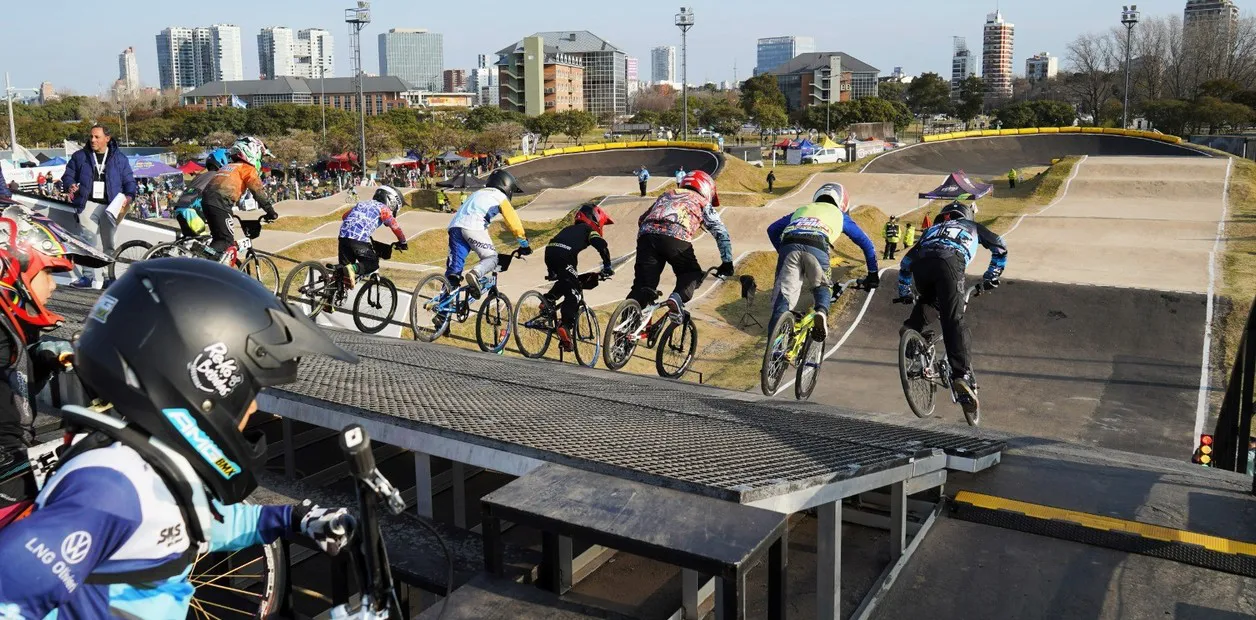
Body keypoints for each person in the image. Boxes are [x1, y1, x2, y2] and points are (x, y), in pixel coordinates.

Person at [0, 258, 357, 618]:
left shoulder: (149, 472)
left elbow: (188, 527)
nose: (253, 408)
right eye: (248, 390)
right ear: (200, 382)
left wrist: (290, 519)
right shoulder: (111, 488)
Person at [0, 207, 112, 528]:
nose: (53, 287)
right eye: (48, 273)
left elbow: (11, 390)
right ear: (15, 271)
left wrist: (37, 361)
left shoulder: (9, 328)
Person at [895, 200, 1007, 414]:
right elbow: (1000, 246)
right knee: (953, 319)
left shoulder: (932, 230)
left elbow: (906, 263)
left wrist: (905, 292)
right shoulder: (970, 225)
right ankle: (961, 375)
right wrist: (991, 275)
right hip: (949, 262)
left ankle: (912, 328)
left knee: (931, 299)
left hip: (922, 265)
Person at [765, 183, 879, 341]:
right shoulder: (840, 215)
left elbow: (772, 229)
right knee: (823, 287)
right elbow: (867, 244)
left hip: (789, 244)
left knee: (782, 301)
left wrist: (783, 250)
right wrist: (873, 273)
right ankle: (821, 312)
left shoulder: (802, 210)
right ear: (842, 203)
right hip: (817, 244)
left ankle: (773, 356)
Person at [630, 170, 734, 317]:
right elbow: (721, 232)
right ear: (706, 189)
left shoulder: (668, 194)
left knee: (642, 286)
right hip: (675, 236)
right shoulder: (702, 201)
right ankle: (677, 298)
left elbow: (642, 219)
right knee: (691, 274)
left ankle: (625, 329)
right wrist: (727, 262)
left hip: (646, 235)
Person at [59, 124, 137, 289]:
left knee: (109, 244)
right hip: (88, 203)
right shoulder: (80, 156)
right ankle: (87, 277)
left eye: (97, 137)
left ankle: (108, 277)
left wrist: (129, 196)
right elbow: (68, 175)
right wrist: (70, 184)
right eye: (91, 136)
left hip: (111, 206)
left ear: (107, 139)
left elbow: (129, 180)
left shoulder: (119, 158)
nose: (92, 140)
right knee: (87, 241)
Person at [446, 169, 530, 299]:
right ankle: (475, 273)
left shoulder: (477, 193)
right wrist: (524, 244)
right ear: (506, 186)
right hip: (474, 227)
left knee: (454, 272)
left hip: (455, 228)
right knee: (491, 258)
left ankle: (442, 311)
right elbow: (514, 223)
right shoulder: (500, 197)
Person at [543, 203, 615, 351]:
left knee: (568, 280)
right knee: (574, 292)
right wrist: (607, 266)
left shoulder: (568, 229)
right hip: (564, 256)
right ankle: (565, 326)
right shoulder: (589, 230)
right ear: (595, 219)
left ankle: (548, 300)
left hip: (549, 252)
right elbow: (602, 246)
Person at [200, 136, 279, 265]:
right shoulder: (248, 169)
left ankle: (208, 264)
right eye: (261, 156)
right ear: (253, 151)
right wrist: (271, 212)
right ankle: (201, 265)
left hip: (208, 201)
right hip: (220, 202)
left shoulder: (228, 166)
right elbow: (258, 193)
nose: (260, 160)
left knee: (219, 240)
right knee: (226, 241)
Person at [339, 185, 408, 289]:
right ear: (392, 201)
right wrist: (403, 242)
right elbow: (395, 226)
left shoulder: (362, 203)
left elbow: (344, 216)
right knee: (372, 263)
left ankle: (329, 299)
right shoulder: (383, 209)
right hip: (359, 239)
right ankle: (353, 268)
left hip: (343, 236)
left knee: (343, 274)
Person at [172, 148, 229, 239]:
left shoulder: (200, 177)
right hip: (190, 212)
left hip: (180, 209)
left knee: (191, 242)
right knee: (207, 243)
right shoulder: (218, 177)